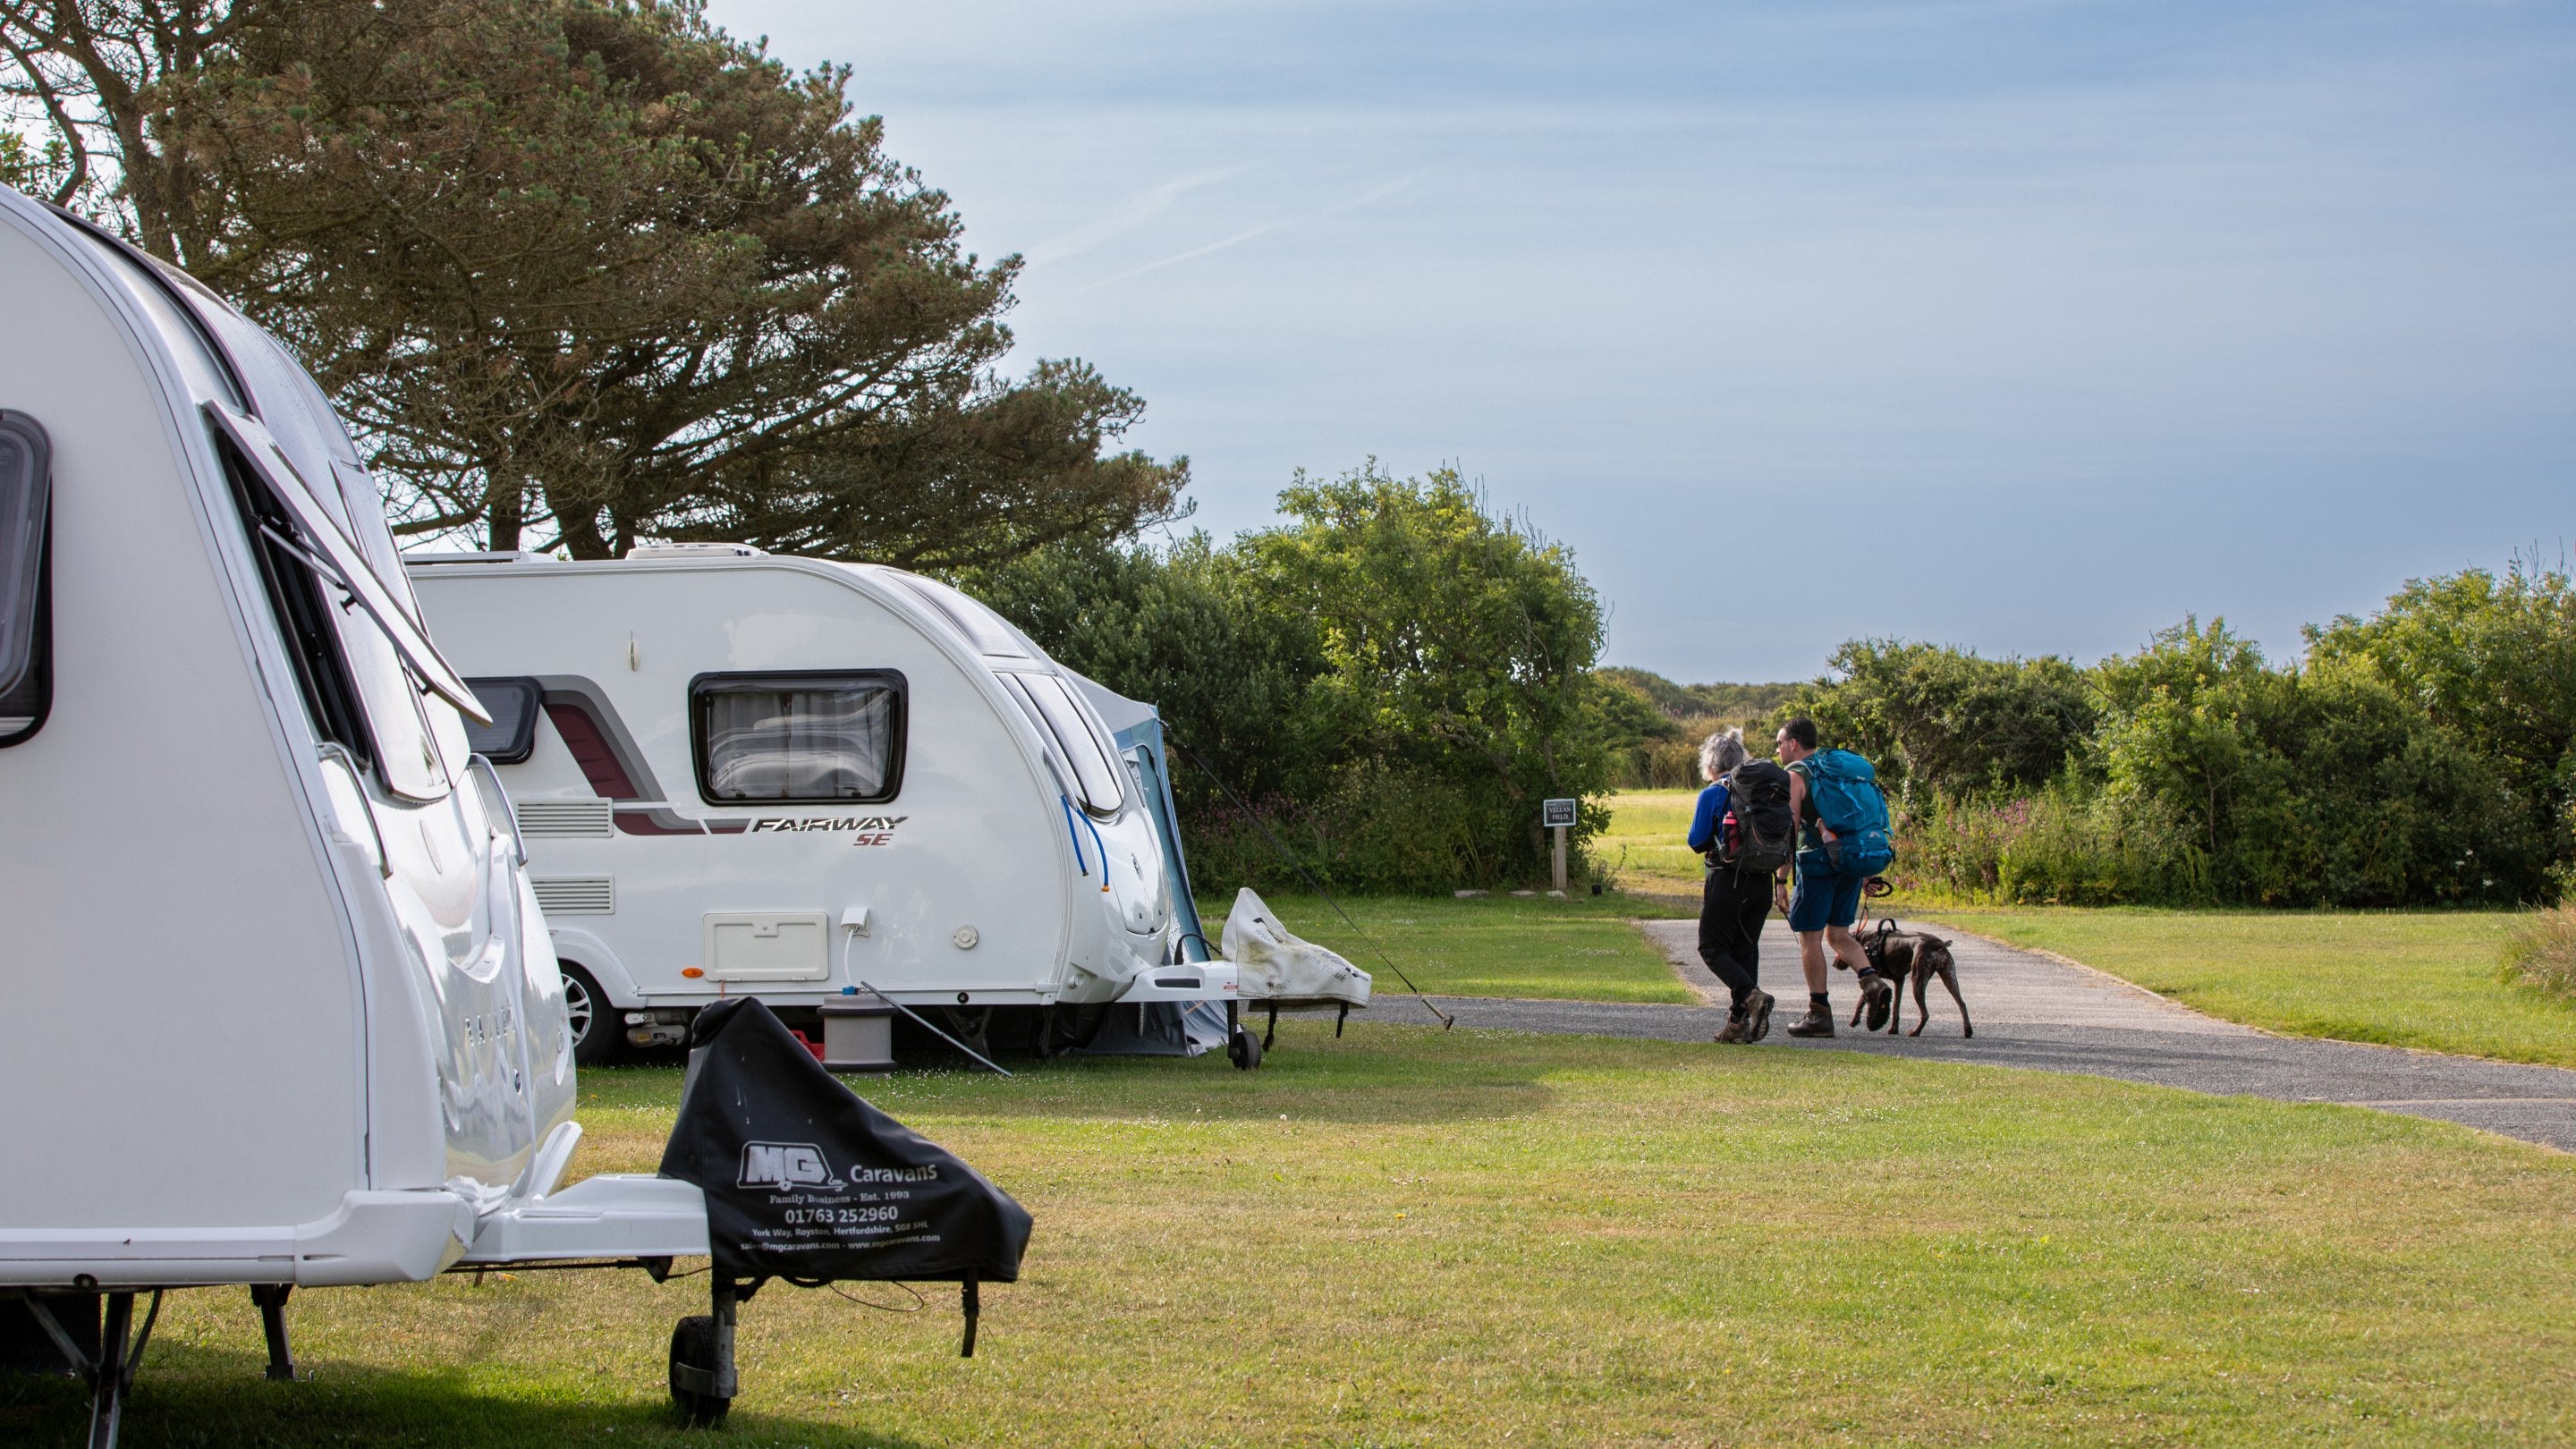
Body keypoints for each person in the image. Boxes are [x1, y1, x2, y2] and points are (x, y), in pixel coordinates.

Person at [1770, 716, 1893, 1038]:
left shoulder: (1796, 773)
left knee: (1811, 937)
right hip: (1849, 861)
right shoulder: (1838, 770)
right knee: (1838, 934)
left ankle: (1819, 1014)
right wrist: (1865, 874)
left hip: (1816, 863)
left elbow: (1791, 827)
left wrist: (1781, 879)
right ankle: (1871, 980)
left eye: (1780, 743)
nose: (1778, 749)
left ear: (1793, 743)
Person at [1687, 729, 1776, 1043]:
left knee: (1711, 947)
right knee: (1745, 951)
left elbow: (1697, 840)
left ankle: (1752, 998)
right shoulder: (1761, 791)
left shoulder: (1713, 793)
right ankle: (1738, 1025)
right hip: (1762, 881)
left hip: (1728, 878)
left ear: (1710, 762)